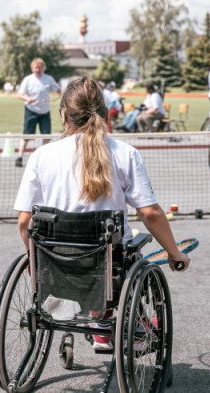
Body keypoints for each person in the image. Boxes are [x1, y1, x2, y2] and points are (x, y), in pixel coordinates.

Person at [13, 77, 190, 350]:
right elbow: (151, 213)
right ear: (105, 113)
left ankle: (100, 325)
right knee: (128, 250)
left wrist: (33, 259)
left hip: (56, 261)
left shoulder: (41, 155)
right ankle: (112, 323)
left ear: (63, 114)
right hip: (108, 261)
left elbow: (25, 221)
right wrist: (174, 253)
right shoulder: (125, 153)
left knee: (99, 252)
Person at [15, 58, 60, 167]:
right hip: (31, 110)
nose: (38, 70)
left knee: (46, 135)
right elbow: (19, 94)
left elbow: (58, 89)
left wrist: (61, 94)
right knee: (27, 135)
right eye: (36, 68)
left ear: (43, 68)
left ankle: (44, 158)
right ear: (32, 68)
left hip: (45, 111)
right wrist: (27, 98)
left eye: (40, 68)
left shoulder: (49, 79)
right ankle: (19, 157)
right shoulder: (28, 79)